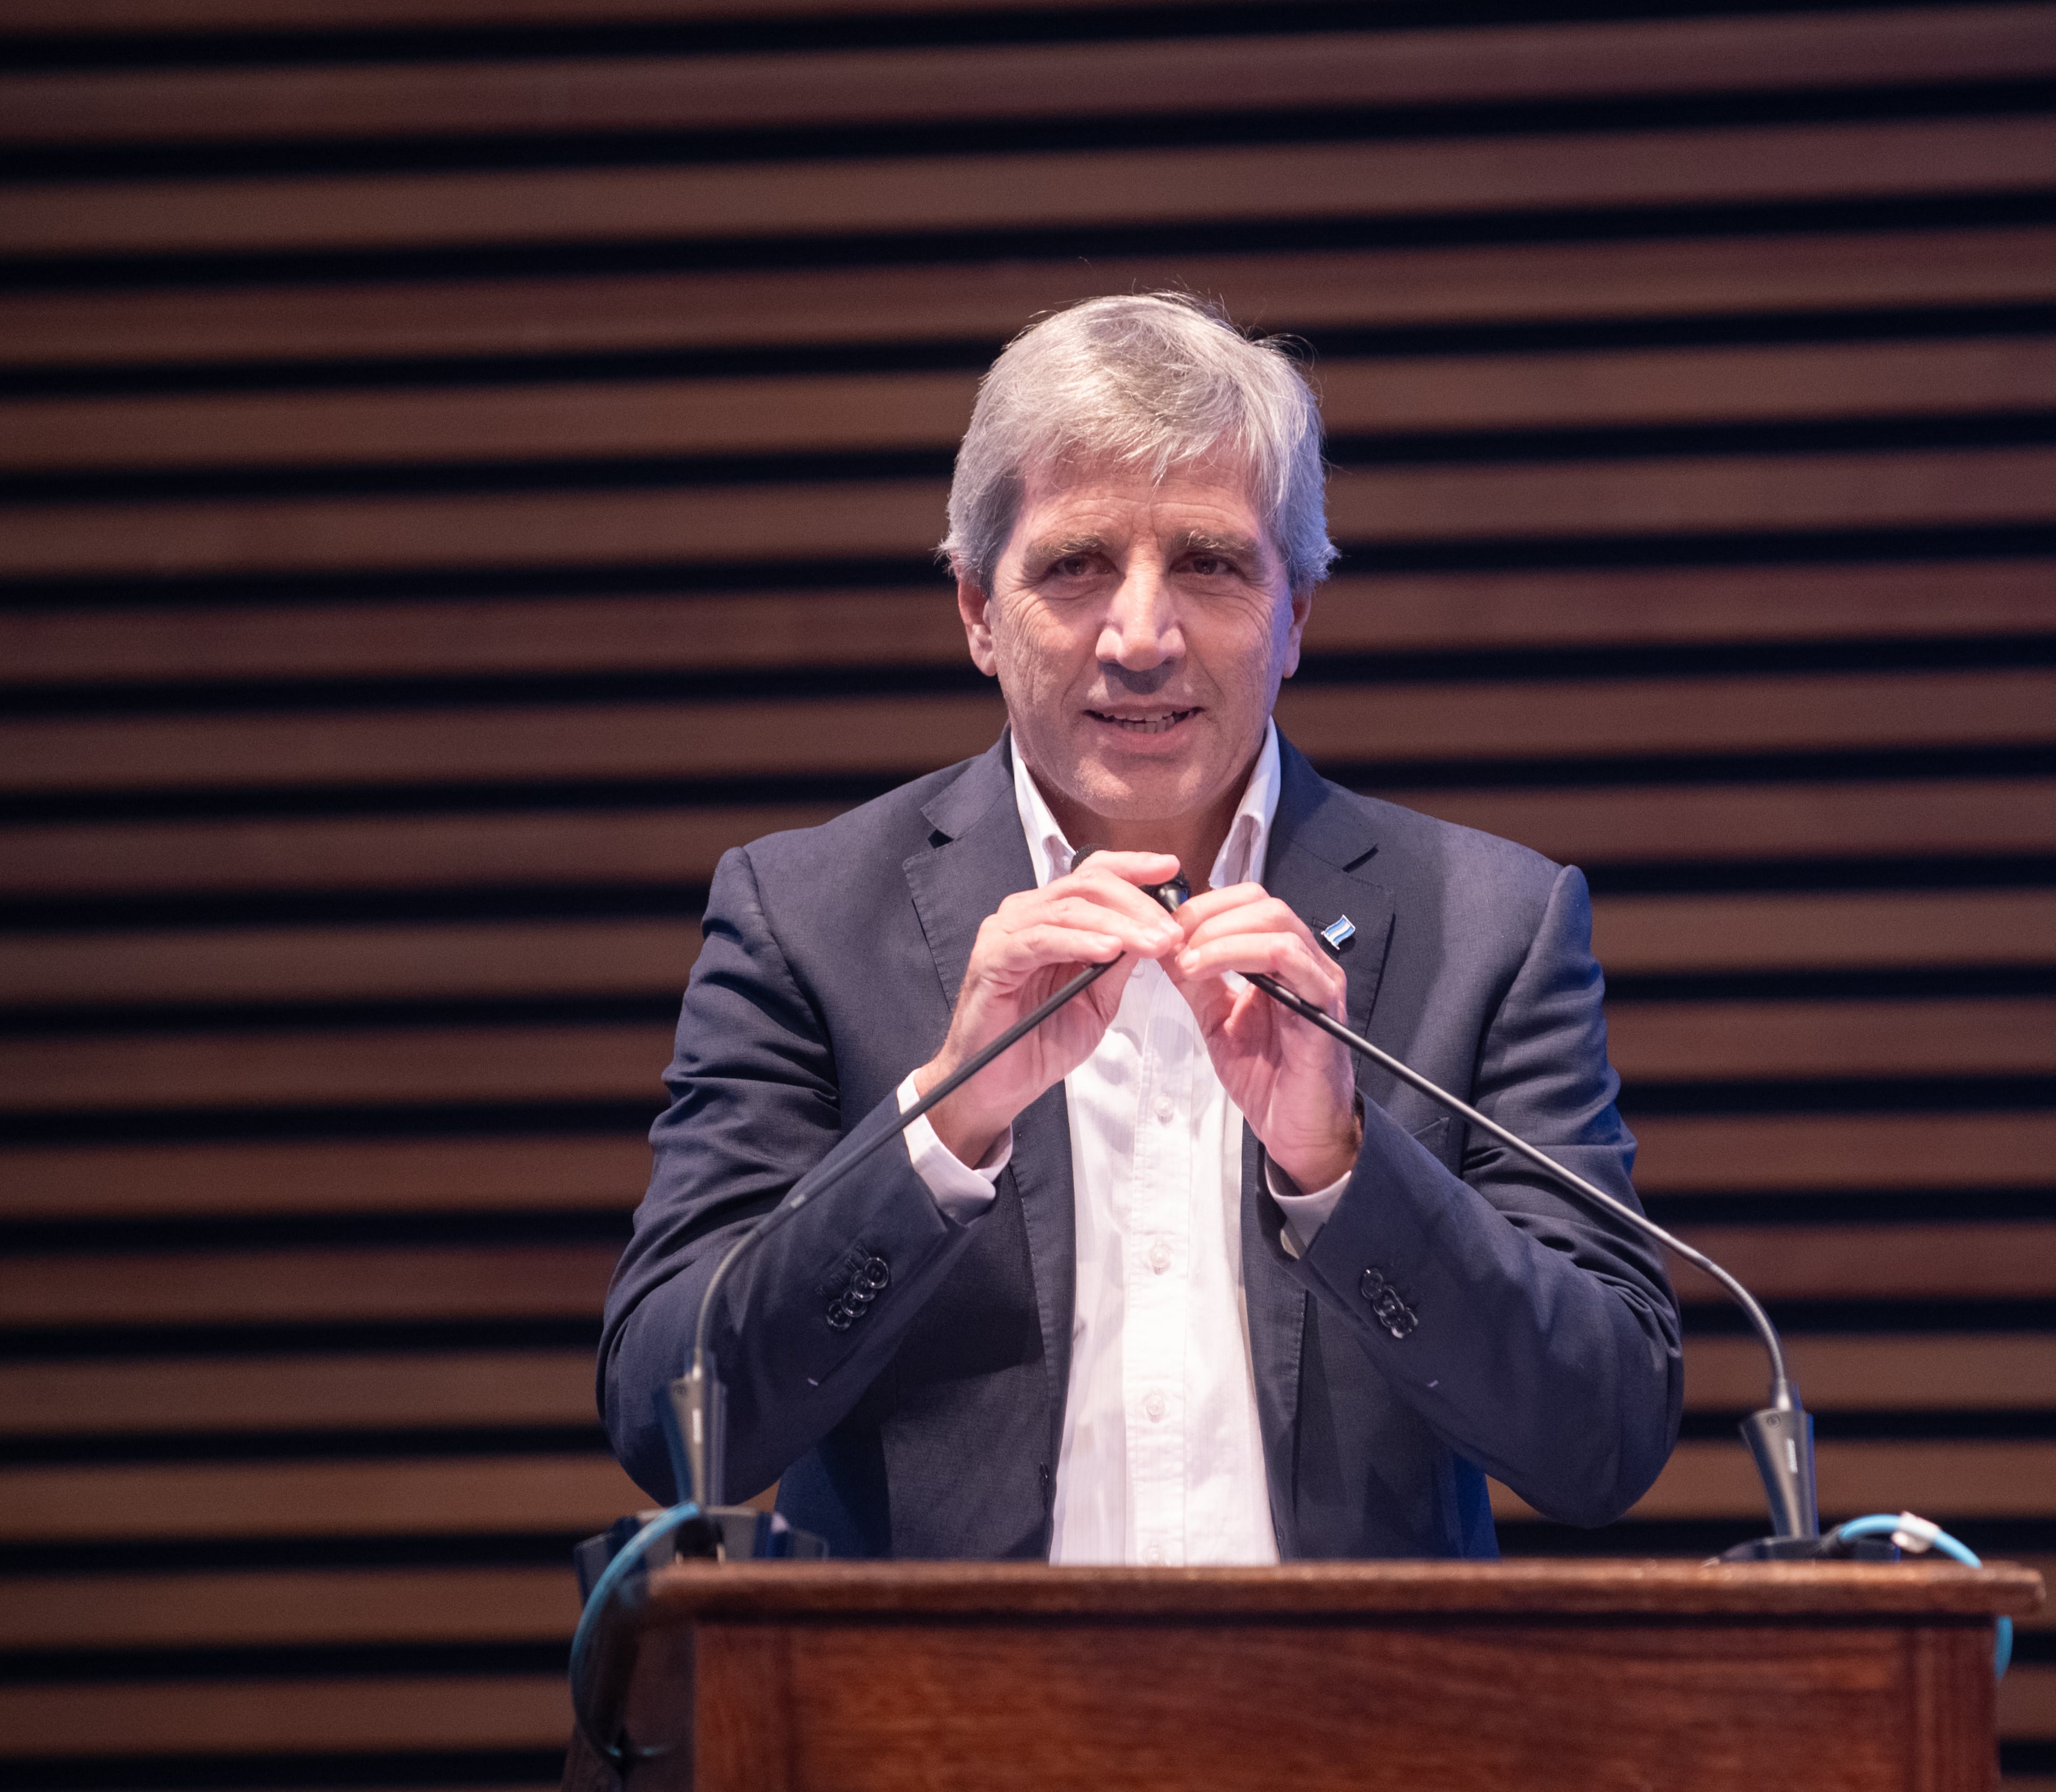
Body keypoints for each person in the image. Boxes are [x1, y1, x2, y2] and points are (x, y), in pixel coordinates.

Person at [599, 294, 1680, 1560]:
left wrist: (1342, 1168)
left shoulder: (1491, 923)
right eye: (1075, 564)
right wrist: (942, 1125)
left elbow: (1606, 1433)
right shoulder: (805, 916)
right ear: (976, 614)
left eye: (1211, 565)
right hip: (936, 1741)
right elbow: (673, 1418)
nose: (1141, 636)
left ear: (1297, 618)